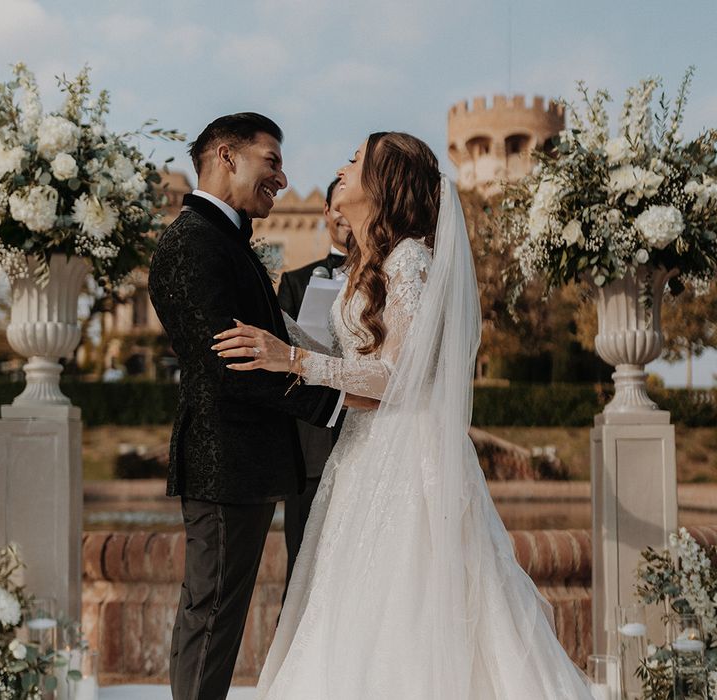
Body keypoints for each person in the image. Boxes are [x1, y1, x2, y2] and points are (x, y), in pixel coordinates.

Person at [211, 132, 593, 698]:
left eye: (357, 159)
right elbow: (351, 364)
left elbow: (397, 380)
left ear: (383, 183)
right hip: (361, 453)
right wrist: (273, 323)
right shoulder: (373, 261)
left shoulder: (410, 259)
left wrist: (290, 358)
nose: (344, 166)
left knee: (407, 604)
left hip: (406, 456)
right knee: (348, 605)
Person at [148, 112, 368, 700]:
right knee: (212, 615)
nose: (281, 175)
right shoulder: (195, 243)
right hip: (225, 463)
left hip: (241, 463)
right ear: (227, 156)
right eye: (271, 161)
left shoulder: (224, 239)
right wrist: (338, 402)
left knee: (216, 614)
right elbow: (233, 366)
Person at [276, 178, 349, 587]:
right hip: (311, 449)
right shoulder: (294, 282)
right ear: (325, 213)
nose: (344, 216)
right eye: (336, 207)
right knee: (303, 571)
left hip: (369, 438)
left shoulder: (388, 281)